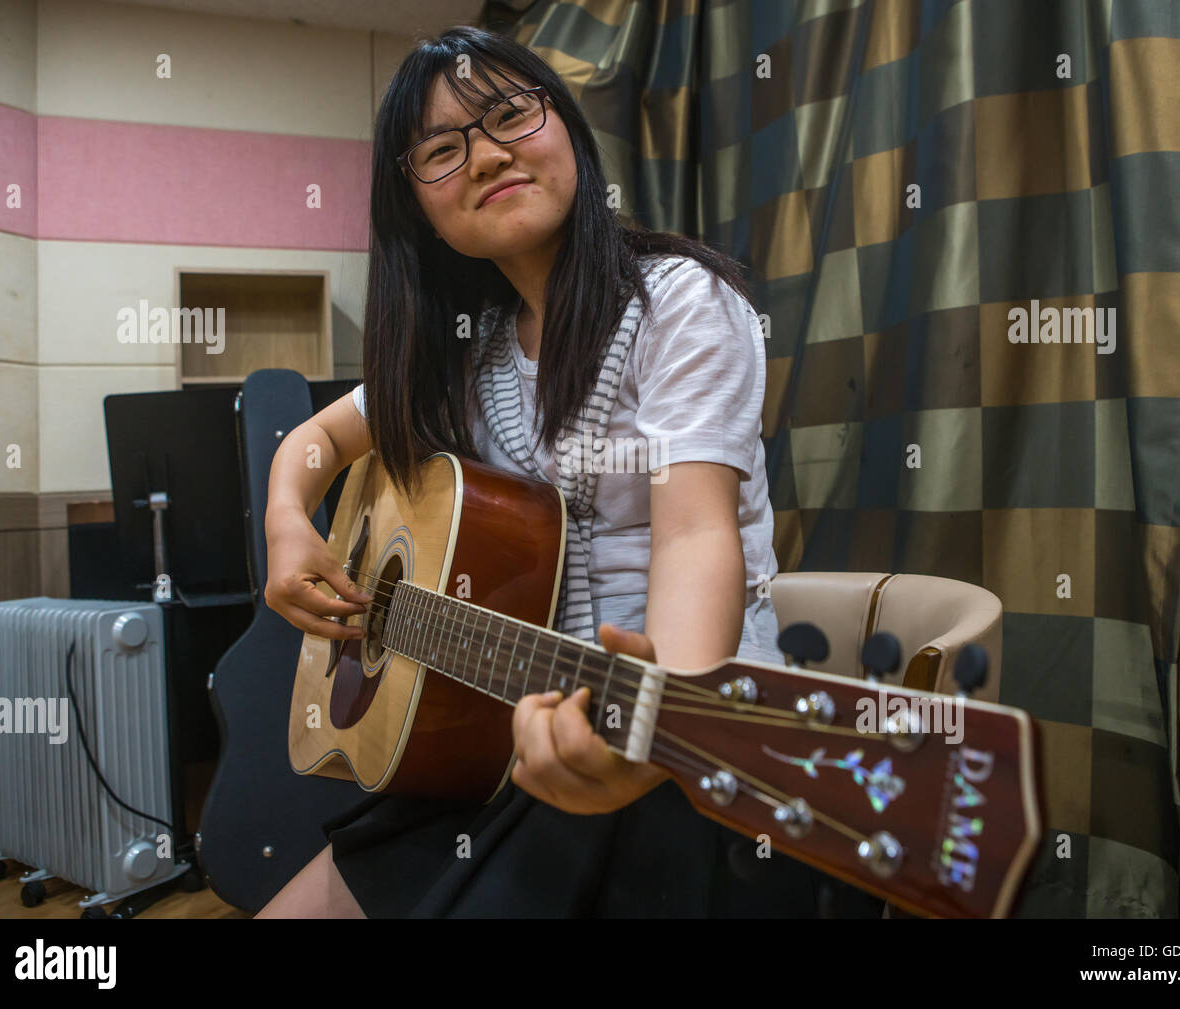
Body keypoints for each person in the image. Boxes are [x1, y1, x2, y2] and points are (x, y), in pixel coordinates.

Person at [255, 25, 876, 918]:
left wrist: (653, 729)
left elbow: (698, 534)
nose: (488, 154)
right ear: (417, 207)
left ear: (567, 130)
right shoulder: (465, 358)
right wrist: (287, 522)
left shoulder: (682, 303)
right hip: (499, 752)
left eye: (510, 112)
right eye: (441, 148)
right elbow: (311, 442)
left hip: (683, 758)